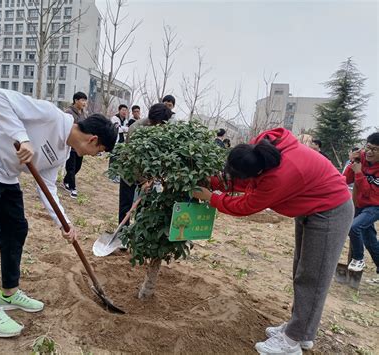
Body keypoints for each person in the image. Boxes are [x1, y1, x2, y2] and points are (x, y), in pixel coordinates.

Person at [0, 88, 117, 338]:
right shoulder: (50, 116)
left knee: (17, 229)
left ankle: (9, 293)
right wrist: (24, 138)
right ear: (93, 140)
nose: (95, 156)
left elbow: (48, 187)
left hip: (6, 173)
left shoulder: (63, 152)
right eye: (99, 152)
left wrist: (64, 222)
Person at [192, 127, 353, 354]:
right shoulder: (261, 148)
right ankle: (302, 330)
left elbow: (246, 204)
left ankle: (292, 341)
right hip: (310, 205)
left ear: (257, 173)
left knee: (313, 277)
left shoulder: (280, 176)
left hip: (330, 210)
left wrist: (213, 198)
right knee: (302, 270)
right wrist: (214, 183)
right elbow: (244, 182)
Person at [118, 103, 173, 227]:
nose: (163, 126)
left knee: (144, 206)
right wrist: (143, 182)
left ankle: (137, 233)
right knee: (126, 205)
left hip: (147, 175)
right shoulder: (136, 129)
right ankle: (122, 234)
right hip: (129, 171)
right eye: (161, 123)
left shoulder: (162, 130)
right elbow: (133, 159)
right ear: (154, 121)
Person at [343, 133, 379, 284]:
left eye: (375, 150)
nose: (369, 152)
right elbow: (346, 179)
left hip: (375, 205)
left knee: (354, 227)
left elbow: (369, 192)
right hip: (359, 204)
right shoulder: (362, 157)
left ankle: (358, 259)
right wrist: (354, 162)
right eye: (368, 147)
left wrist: (359, 172)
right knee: (370, 240)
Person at [63, 92, 88, 198]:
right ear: (76, 100)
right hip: (70, 144)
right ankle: (73, 189)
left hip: (80, 145)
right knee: (71, 167)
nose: (84, 103)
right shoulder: (68, 112)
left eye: (85, 100)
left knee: (78, 166)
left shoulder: (83, 113)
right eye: (82, 100)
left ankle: (66, 181)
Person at [109, 104, 129, 183]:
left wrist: (122, 128)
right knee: (113, 158)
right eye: (123, 110)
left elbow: (127, 129)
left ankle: (116, 176)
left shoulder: (126, 120)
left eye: (125, 110)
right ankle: (111, 175)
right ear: (119, 110)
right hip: (115, 141)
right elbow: (117, 129)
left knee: (119, 159)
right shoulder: (114, 118)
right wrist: (123, 129)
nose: (124, 112)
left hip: (122, 142)